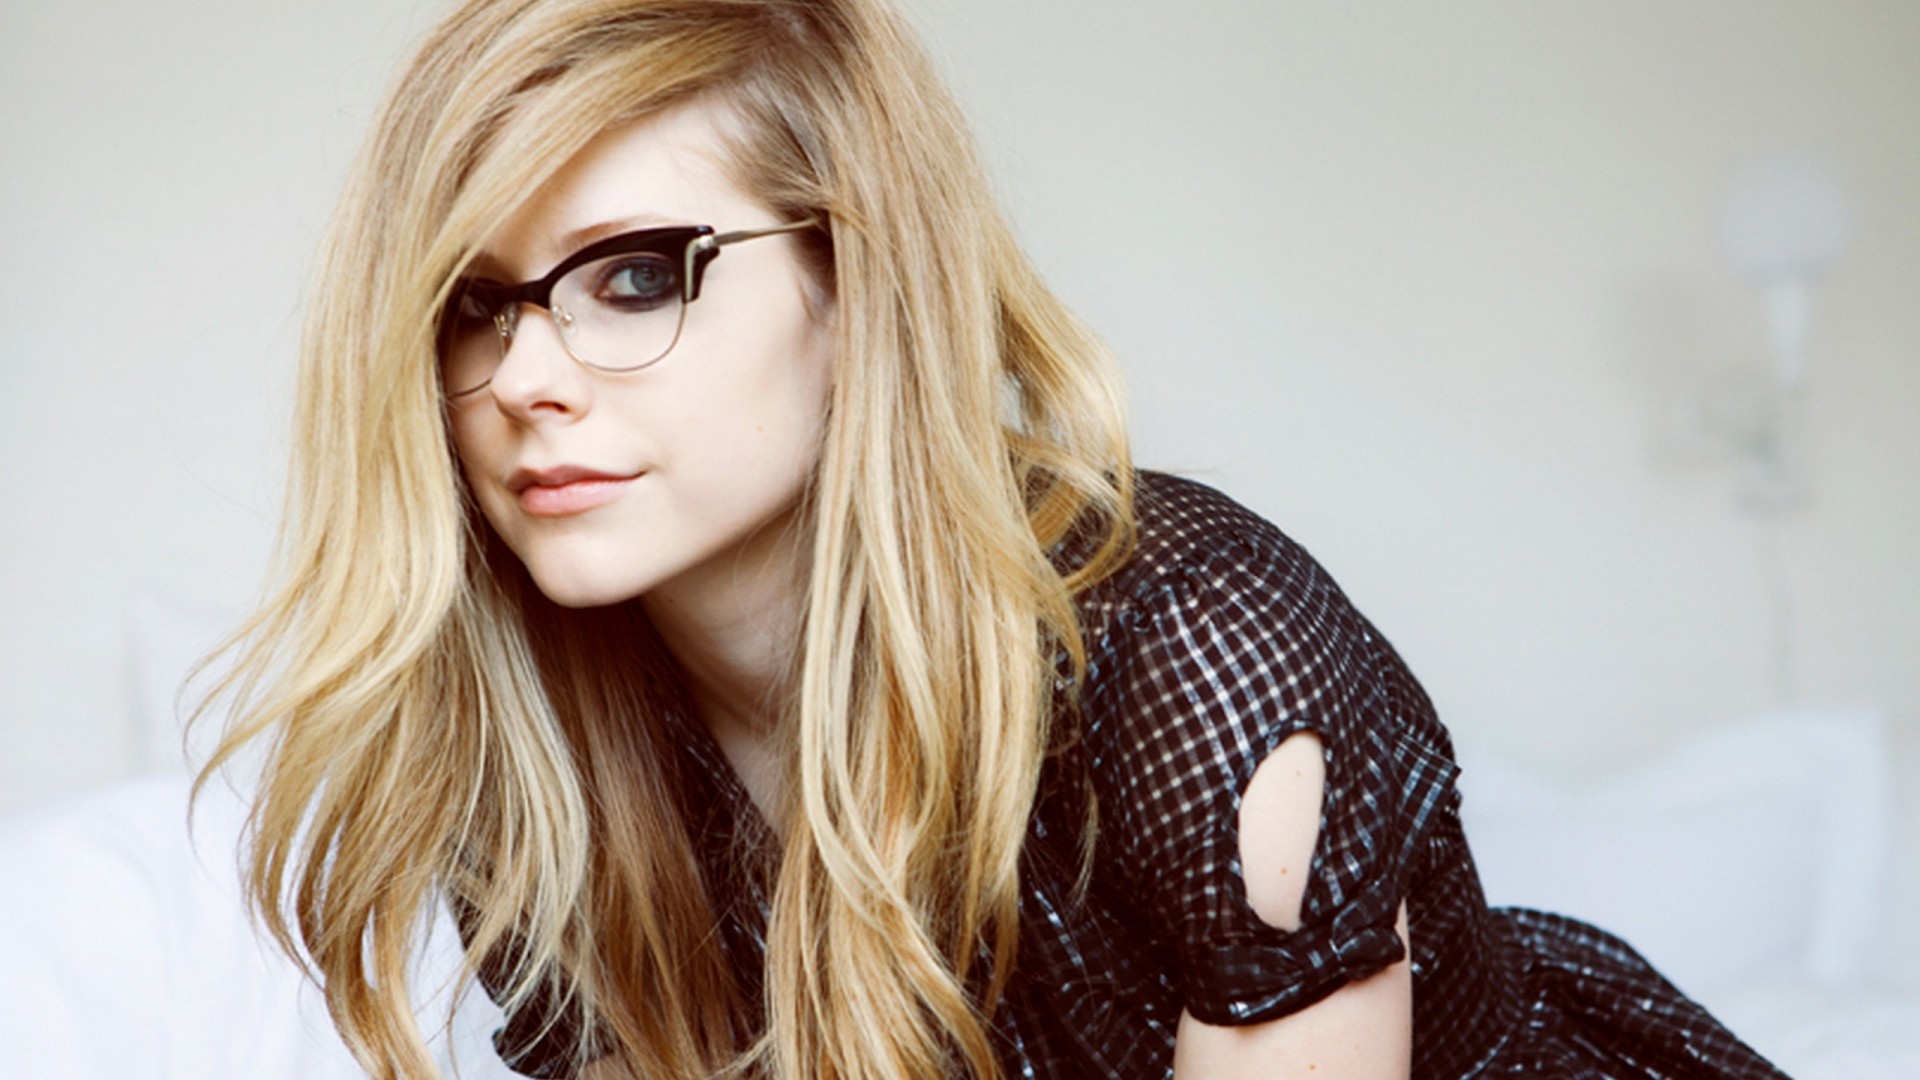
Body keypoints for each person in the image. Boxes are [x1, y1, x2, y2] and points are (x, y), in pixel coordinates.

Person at [198, 0, 1788, 1077]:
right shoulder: (530, 760)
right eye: (472, 305)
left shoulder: (1197, 646)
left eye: (633, 277)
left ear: (856, 287)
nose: (522, 380)